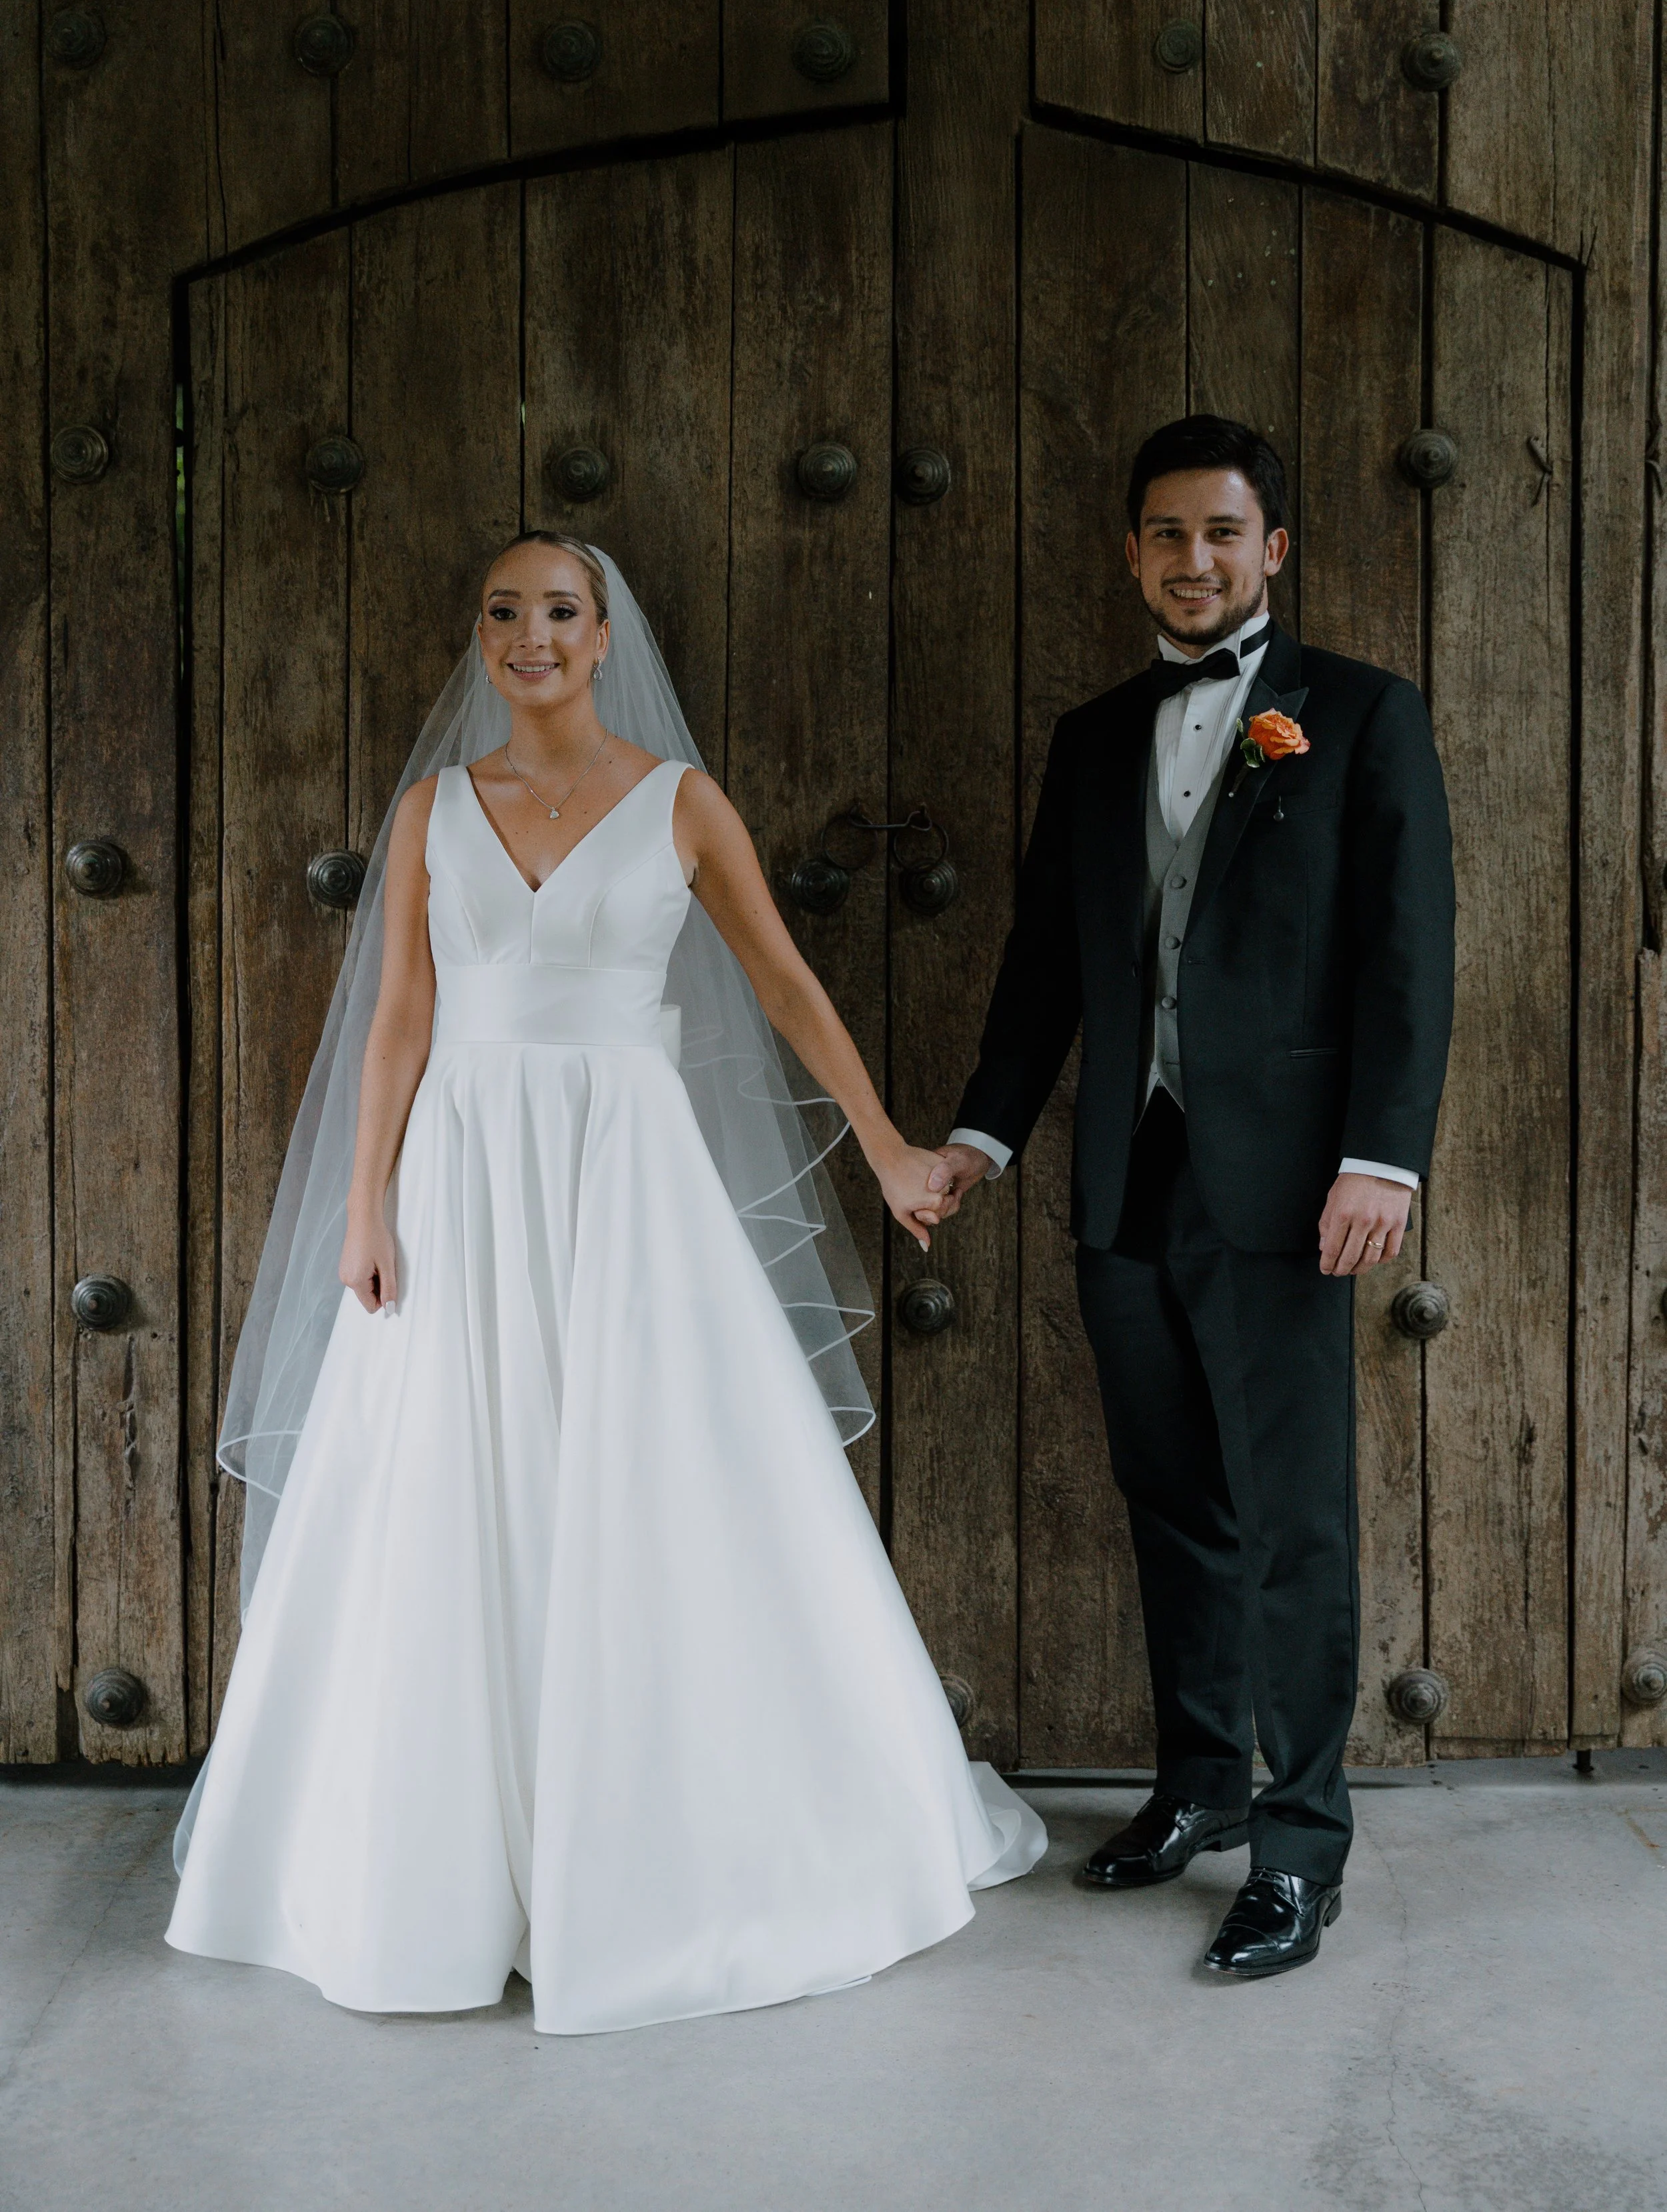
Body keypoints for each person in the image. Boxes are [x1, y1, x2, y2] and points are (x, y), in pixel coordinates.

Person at [168, 533, 1043, 2034]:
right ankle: (450, 1873)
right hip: (462, 1184)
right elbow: (396, 1026)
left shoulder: (682, 803)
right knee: (456, 1492)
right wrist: (364, 1207)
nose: (529, 636)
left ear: (599, 634)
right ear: (483, 640)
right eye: (502, 611)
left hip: (629, 1187)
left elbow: (782, 984)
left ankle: (671, 1864)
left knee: (659, 1490)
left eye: (556, 612)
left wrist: (894, 1148)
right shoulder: (435, 809)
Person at [928, 416, 1454, 1979]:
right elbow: (1043, 968)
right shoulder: (1091, 738)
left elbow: (1404, 954)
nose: (1192, 560)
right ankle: (1200, 1783)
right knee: (1172, 1508)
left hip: (1291, 1186)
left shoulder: (1357, 717)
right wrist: (981, 1137)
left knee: (1290, 1521)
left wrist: (1381, 1156)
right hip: (1123, 1178)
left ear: (1270, 549)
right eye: (1164, 534)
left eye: (1221, 533)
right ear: (1131, 552)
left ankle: (1298, 1851)